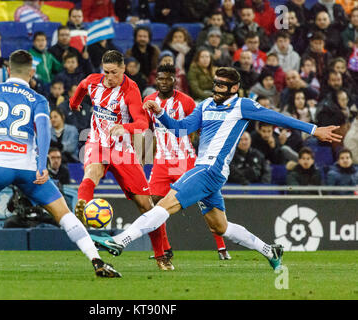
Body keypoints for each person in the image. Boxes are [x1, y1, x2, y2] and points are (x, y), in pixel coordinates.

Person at [90, 67, 341, 271]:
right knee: (220, 227)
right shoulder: (206, 105)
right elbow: (182, 129)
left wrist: (313, 129)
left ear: (234, 88)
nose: (217, 88)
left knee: (164, 205)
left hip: (210, 169)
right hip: (207, 172)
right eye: (216, 83)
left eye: (222, 85)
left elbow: (278, 118)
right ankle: (269, 250)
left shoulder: (243, 105)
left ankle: (119, 241)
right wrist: (161, 114)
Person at [0, 49, 121, 278]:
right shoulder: (38, 99)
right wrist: (41, 165)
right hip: (29, 169)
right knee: (64, 213)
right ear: (31, 72)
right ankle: (97, 261)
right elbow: (44, 131)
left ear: (8, 70)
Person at [69, 50, 165, 269]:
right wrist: (74, 103)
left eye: (114, 72)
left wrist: (125, 127)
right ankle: (82, 203)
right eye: (106, 72)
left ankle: (161, 255)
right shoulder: (94, 81)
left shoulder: (131, 90)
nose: (109, 77)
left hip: (123, 150)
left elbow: (142, 124)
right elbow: (82, 87)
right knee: (92, 171)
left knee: (147, 206)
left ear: (123, 69)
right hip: (97, 141)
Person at [144, 63, 231, 264]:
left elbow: (203, 127)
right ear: (156, 80)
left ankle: (221, 247)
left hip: (185, 160)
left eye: (168, 79)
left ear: (175, 80)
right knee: (154, 204)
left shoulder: (187, 102)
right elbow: (148, 127)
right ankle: (165, 250)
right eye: (161, 79)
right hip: (161, 162)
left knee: (204, 201)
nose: (164, 82)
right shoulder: (148, 100)